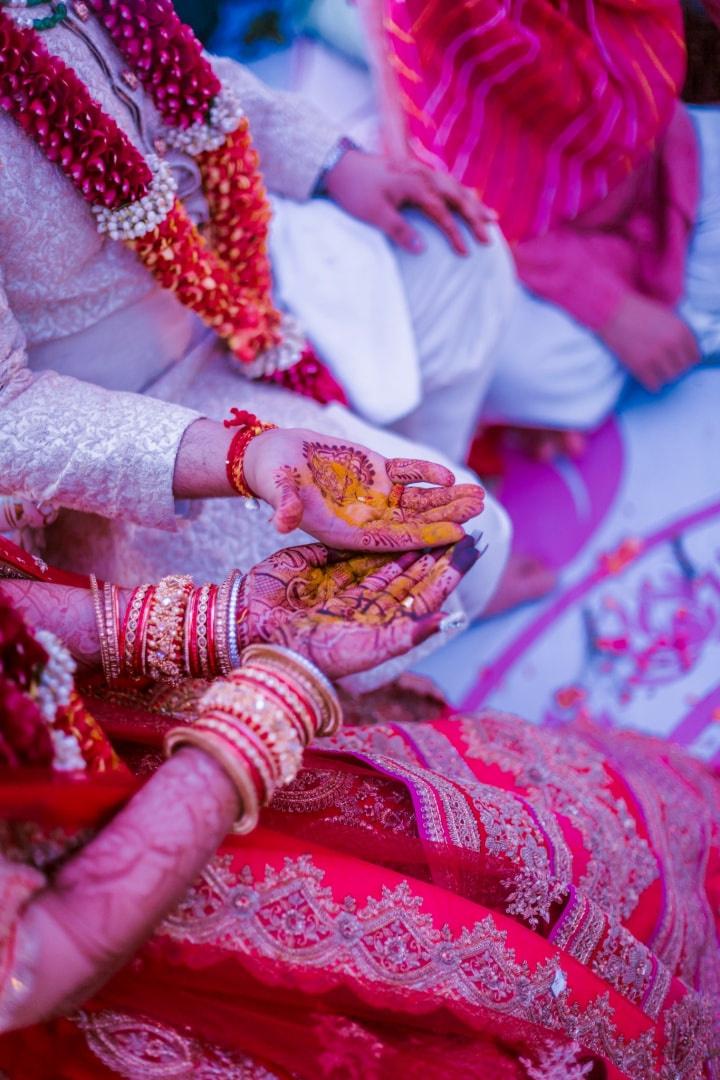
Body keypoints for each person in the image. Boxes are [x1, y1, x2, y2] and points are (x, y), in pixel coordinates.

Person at [0, 538, 717, 1078]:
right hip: (152, 958)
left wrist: (232, 622)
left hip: (139, 742)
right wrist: (276, 689)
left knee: (523, 837)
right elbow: (40, 958)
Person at [0, 0, 547, 660]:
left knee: (453, 253)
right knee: (472, 540)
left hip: (239, 291)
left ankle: (414, 478)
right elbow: (8, 415)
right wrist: (240, 457)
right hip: (135, 433)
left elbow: (201, 86)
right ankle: (408, 596)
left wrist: (335, 163)